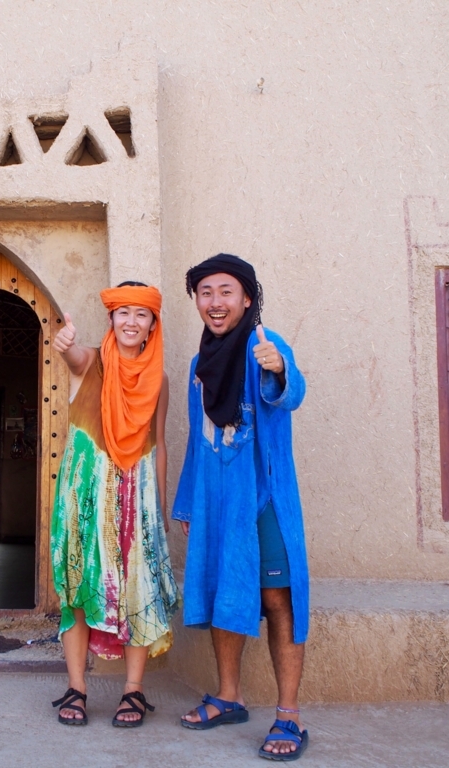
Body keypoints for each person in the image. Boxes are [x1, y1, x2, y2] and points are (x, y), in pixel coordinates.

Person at [172, 254, 310, 761]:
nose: (215, 302)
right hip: (215, 499)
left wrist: (279, 371)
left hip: (263, 497)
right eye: (205, 292)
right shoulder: (198, 365)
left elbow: (289, 392)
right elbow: (196, 437)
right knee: (223, 590)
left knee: (277, 600)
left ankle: (289, 714)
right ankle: (229, 696)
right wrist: (187, 499)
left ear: (247, 298)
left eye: (226, 291)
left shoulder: (263, 347)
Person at [50, 282, 179, 728]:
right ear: (111, 320)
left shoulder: (159, 378)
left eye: (140, 315)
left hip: (136, 494)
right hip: (84, 492)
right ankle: (76, 687)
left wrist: (159, 508)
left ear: (151, 326)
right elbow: (74, 358)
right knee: (79, 583)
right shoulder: (90, 362)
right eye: (122, 313)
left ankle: (133, 690)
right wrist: (64, 345)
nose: (130, 322)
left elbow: (159, 444)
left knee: (137, 586)